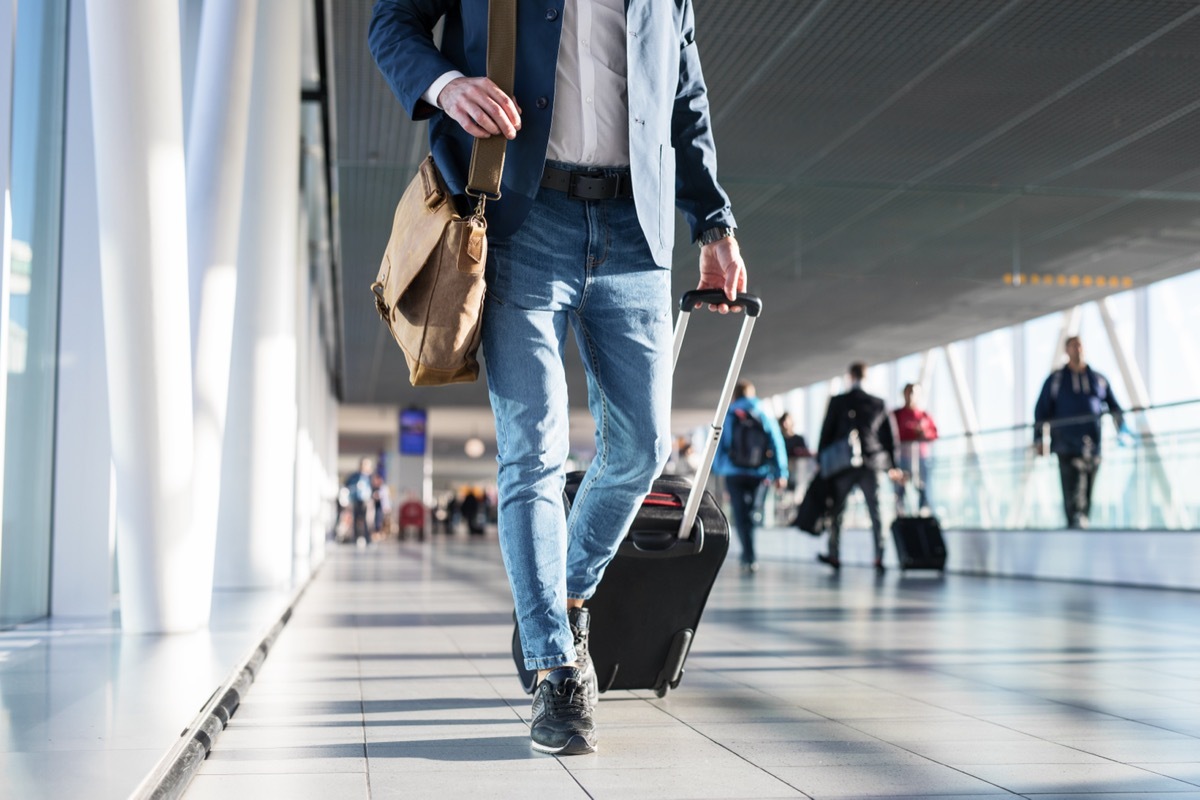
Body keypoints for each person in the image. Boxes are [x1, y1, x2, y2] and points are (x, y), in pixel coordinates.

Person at [370, 0, 747, 756]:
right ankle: (555, 669)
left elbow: (685, 95)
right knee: (533, 450)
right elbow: (392, 21)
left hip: (635, 233)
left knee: (640, 449)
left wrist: (714, 222)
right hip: (521, 219)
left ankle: (567, 592)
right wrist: (445, 85)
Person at [816, 362, 904, 574]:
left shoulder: (838, 401)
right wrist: (894, 466)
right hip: (872, 464)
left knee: (838, 512)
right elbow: (890, 439)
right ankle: (879, 556)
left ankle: (834, 554)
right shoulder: (878, 403)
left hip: (843, 465)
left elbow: (826, 433)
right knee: (876, 512)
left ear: (850, 377)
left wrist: (821, 461)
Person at [1034, 336, 1124, 529]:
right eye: (1073, 346)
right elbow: (1041, 411)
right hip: (1066, 446)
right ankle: (1074, 527)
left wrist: (1121, 429)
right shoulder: (1056, 380)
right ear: (1066, 351)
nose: (1077, 349)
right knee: (1074, 494)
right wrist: (1039, 439)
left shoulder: (1098, 379)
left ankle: (1081, 527)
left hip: (1093, 447)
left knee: (1088, 493)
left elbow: (1114, 406)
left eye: (1080, 345)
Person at [713, 380, 788, 574]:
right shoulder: (763, 414)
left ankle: (748, 555)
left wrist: (720, 468)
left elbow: (719, 444)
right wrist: (781, 473)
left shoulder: (729, 415)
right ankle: (750, 553)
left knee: (740, 514)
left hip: (734, 473)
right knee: (752, 514)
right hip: (760, 473)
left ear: (735, 396)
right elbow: (777, 443)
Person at [891, 383, 938, 515]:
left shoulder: (924, 415)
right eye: (908, 392)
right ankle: (901, 515)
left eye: (914, 392)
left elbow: (934, 434)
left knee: (923, 487)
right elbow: (891, 435)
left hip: (921, 457)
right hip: (902, 458)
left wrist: (924, 434)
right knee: (900, 488)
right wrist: (912, 434)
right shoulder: (896, 414)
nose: (911, 396)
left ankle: (923, 513)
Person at [344, 458, 375, 548]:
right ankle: (355, 538)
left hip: (367, 500)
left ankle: (367, 538)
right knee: (355, 519)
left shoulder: (370, 477)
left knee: (367, 520)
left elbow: (375, 487)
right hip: (356, 500)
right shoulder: (354, 476)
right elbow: (347, 485)